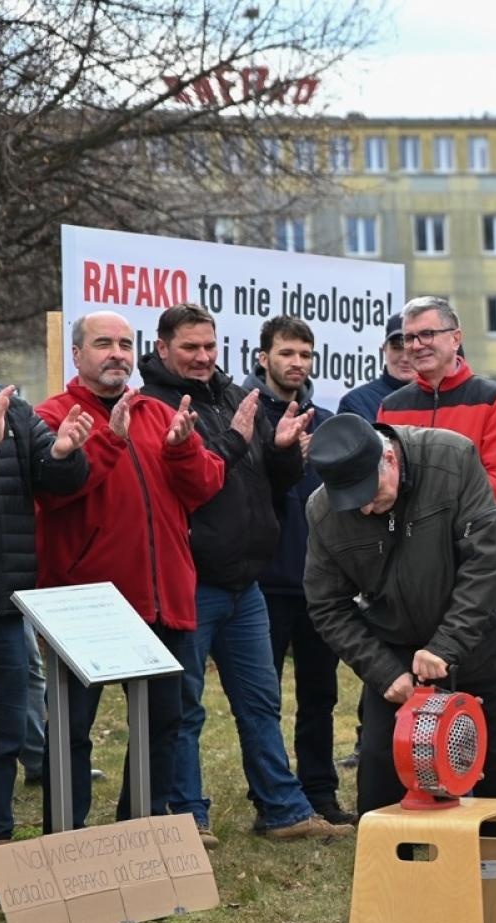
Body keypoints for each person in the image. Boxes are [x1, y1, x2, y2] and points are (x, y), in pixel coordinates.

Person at [139, 302, 351, 845]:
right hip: (192, 581)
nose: (203, 357)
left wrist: (283, 454)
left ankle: (282, 809)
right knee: (185, 708)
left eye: (209, 346)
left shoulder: (239, 398)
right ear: (163, 348)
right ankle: (189, 815)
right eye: (190, 347)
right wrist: (238, 442)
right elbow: (196, 482)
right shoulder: (153, 407)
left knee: (261, 702)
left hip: (245, 584)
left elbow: (269, 485)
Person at [34, 310, 225, 834]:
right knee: (73, 729)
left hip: (162, 599)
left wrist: (185, 448)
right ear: (78, 355)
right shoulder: (52, 415)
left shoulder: (159, 413)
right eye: (103, 343)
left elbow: (205, 487)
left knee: (163, 723)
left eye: (124, 343)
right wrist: (106, 440)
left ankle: (138, 831)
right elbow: (52, 493)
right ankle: (64, 838)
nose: (117, 352)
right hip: (86, 602)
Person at [304, 415, 496, 810]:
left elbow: (483, 562)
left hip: (486, 640)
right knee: (382, 763)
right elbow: (327, 605)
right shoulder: (323, 513)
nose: (369, 510)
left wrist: (446, 644)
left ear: (389, 458)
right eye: (355, 504)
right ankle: (394, 863)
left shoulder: (452, 458)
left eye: (372, 494)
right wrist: (383, 670)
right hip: (397, 651)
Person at [0, 296, 91, 898]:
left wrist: (64, 452)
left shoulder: (14, 408)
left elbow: (55, 481)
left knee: (2, 735)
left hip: (4, 606)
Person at [244, 315, 354, 825]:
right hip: (263, 582)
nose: (296, 364)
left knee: (320, 694)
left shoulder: (326, 420)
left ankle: (319, 791)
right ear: (263, 356)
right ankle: (267, 794)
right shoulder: (243, 415)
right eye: (287, 353)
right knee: (261, 699)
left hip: (319, 585)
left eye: (305, 356)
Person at [335, 313, 415, 770]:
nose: (405, 352)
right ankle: (372, 737)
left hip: (422, 535)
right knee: (379, 636)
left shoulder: (431, 397)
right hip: (375, 538)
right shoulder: (361, 400)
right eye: (396, 344)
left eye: (413, 342)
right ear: (384, 349)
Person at [378, 296, 496, 510]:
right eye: (409, 338)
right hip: (406, 540)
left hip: (470, 540)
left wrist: (434, 494)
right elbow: (382, 477)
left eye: (427, 334)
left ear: (456, 339)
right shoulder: (391, 407)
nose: (416, 346)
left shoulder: (493, 398)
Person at [338, 313, 416, 423]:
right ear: (383, 349)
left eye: (411, 349)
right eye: (397, 348)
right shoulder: (357, 402)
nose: (405, 358)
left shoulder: (438, 399)